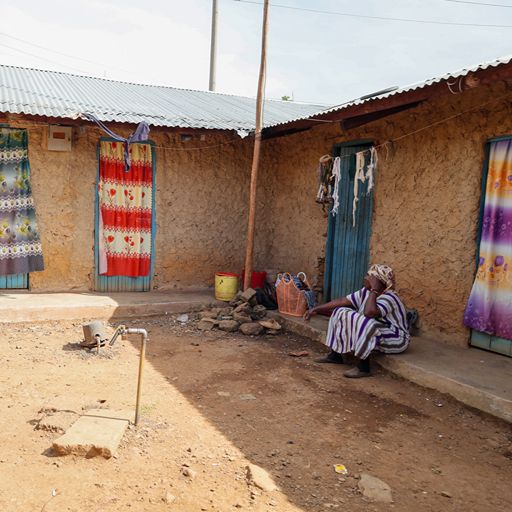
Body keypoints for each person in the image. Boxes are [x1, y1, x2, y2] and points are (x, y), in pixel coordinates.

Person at [304, 264, 410, 378]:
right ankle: (335, 355)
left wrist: (374, 290)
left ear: (378, 282)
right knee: (340, 311)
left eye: (369, 276)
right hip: (380, 331)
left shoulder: (389, 297)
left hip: (396, 338)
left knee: (367, 322)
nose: (365, 278)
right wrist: (315, 309)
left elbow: (369, 313)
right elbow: (342, 301)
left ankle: (363, 368)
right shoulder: (366, 292)